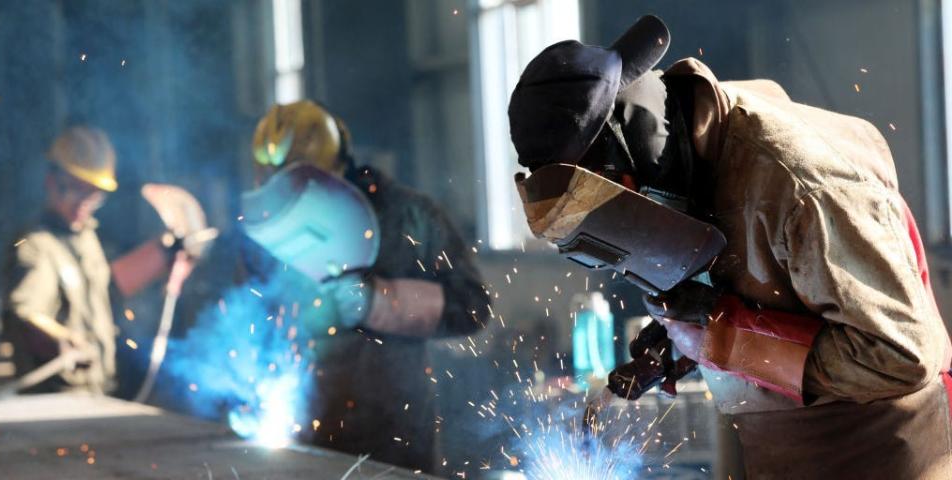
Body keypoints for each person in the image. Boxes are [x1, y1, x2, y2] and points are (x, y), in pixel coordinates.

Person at [508, 15, 952, 478]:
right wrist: (679, 342)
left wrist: (722, 341)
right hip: (784, 452)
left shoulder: (803, 189)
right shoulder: (686, 157)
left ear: (630, 159)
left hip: (886, 452)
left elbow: (903, 356)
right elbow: (773, 293)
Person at [245, 100, 490, 472]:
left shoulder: (411, 217)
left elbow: (472, 306)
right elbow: (251, 318)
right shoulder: (273, 229)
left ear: (336, 170)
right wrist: (248, 391)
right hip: (306, 440)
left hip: (395, 441)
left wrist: (380, 302)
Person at [3, 126, 193, 394]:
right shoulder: (37, 245)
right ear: (51, 181)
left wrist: (162, 253)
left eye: (92, 194)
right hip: (57, 398)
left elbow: (107, 288)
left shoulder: (85, 238)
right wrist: (61, 339)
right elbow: (23, 315)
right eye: (75, 190)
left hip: (96, 390)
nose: (84, 202)